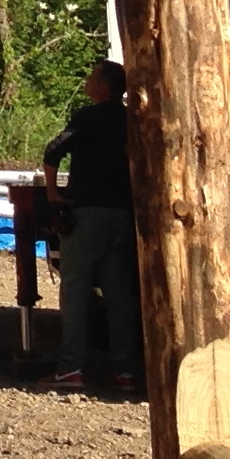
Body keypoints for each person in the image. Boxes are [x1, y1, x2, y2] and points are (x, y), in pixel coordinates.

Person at [39, 59, 143, 397]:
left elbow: (54, 149)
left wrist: (53, 193)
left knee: (76, 292)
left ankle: (71, 368)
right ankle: (125, 372)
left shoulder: (87, 117)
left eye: (91, 77)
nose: (87, 81)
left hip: (86, 215)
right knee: (119, 296)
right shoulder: (133, 119)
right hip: (124, 216)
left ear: (103, 87)